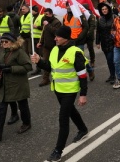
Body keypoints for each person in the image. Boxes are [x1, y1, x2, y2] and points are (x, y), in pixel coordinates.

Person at [30, 26, 89, 162]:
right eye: (55, 36)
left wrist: (83, 94)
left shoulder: (75, 52)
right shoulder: (55, 49)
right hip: (58, 88)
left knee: (63, 118)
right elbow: (50, 67)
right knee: (70, 111)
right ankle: (83, 129)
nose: (55, 38)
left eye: (58, 36)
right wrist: (39, 62)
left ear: (66, 38)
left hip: (70, 90)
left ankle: (58, 151)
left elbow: (82, 75)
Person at [0, 32, 32, 141]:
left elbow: (28, 66)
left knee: (22, 105)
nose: (4, 43)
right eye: (2, 41)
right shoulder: (1, 51)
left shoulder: (19, 52)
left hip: (18, 84)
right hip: (5, 85)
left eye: (6, 41)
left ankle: (26, 123)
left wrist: (11, 69)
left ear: (13, 42)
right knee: (1, 108)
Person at [63, 2, 94, 80]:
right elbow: (64, 29)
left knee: (81, 59)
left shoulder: (79, 15)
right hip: (69, 41)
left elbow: (86, 27)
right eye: (67, 6)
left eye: (70, 5)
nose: (69, 7)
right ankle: (77, 75)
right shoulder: (65, 17)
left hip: (79, 41)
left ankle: (89, 71)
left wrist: (79, 37)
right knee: (71, 58)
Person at [38, 8, 62, 87]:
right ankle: (45, 79)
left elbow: (56, 32)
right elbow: (43, 33)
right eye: (45, 14)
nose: (46, 16)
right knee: (45, 61)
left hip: (55, 46)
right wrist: (40, 42)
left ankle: (58, 77)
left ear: (51, 14)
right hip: (46, 46)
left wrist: (48, 25)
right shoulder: (44, 21)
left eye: (47, 14)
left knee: (56, 62)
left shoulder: (56, 22)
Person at [96, 3, 117, 84]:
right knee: (108, 61)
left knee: (110, 59)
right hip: (104, 42)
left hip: (112, 42)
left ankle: (114, 76)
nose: (104, 11)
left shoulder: (113, 17)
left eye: (105, 9)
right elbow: (98, 31)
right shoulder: (100, 19)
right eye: (103, 9)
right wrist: (97, 42)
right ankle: (111, 75)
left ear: (108, 9)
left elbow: (116, 29)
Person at [31, 6, 44, 75]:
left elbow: (44, 27)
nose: (31, 12)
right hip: (34, 38)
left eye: (32, 10)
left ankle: (46, 66)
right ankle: (38, 68)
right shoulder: (32, 18)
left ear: (35, 11)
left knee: (42, 54)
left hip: (40, 38)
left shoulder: (41, 17)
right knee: (36, 54)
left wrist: (37, 27)